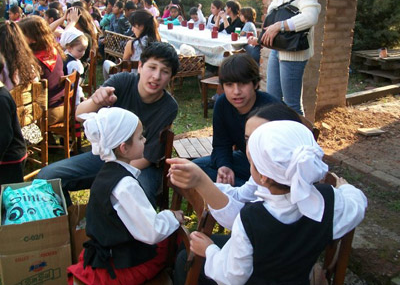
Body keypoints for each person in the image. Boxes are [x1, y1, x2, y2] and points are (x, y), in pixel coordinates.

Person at [168, 120, 367, 285]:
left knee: (185, 258)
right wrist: (345, 188)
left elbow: (233, 275)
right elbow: (357, 204)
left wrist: (210, 251)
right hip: (298, 278)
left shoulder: (250, 219)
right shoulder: (330, 200)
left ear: (262, 177)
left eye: (251, 163)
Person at [37, 42, 180, 207]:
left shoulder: (168, 107)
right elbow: (79, 115)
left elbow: (148, 158)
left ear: (170, 77)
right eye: (152, 67)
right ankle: (70, 225)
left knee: (138, 203)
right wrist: (97, 102)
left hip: (141, 165)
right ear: (140, 66)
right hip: (106, 155)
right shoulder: (123, 81)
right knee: (47, 177)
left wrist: (110, 175)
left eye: (165, 72)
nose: (156, 76)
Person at [67, 107, 184, 285]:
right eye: (140, 137)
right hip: (120, 264)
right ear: (124, 148)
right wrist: (172, 216)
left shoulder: (107, 171)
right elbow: (152, 232)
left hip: (107, 249)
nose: (145, 140)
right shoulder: (125, 185)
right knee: (174, 242)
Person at [192, 53, 281, 187]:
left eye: (243, 84)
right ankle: (239, 191)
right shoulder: (222, 104)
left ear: (256, 84)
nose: (236, 91)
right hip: (245, 161)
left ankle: (245, 193)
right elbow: (221, 144)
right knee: (193, 170)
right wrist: (224, 166)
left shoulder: (271, 110)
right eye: (229, 85)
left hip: (273, 170)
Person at [260, 0, 320, 115]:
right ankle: (277, 134)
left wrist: (280, 25)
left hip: (294, 50)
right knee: (272, 101)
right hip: (278, 47)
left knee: (292, 106)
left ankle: (300, 135)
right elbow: (274, 8)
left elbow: (311, 17)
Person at [18, 16, 66, 125]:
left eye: (22, 35)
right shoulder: (53, 49)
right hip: (63, 106)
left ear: (33, 39)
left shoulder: (33, 60)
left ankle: (32, 139)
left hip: (47, 112)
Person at [103, 9, 161, 80]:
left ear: (141, 26)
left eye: (133, 26)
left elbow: (124, 68)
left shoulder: (132, 44)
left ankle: (111, 88)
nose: (132, 29)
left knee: (106, 63)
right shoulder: (159, 43)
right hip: (152, 80)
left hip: (132, 82)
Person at [0, 52, 27, 185]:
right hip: (6, 155)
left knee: (9, 193)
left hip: (10, 156)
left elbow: (5, 135)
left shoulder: (2, 98)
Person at [60, 27, 88, 104]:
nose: (83, 53)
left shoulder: (63, 57)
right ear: (69, 48)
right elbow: (76, 86)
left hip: (62, 95)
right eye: (80, 50)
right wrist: (80, 99)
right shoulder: (74, 64)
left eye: (84, 50)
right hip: (71, 98)